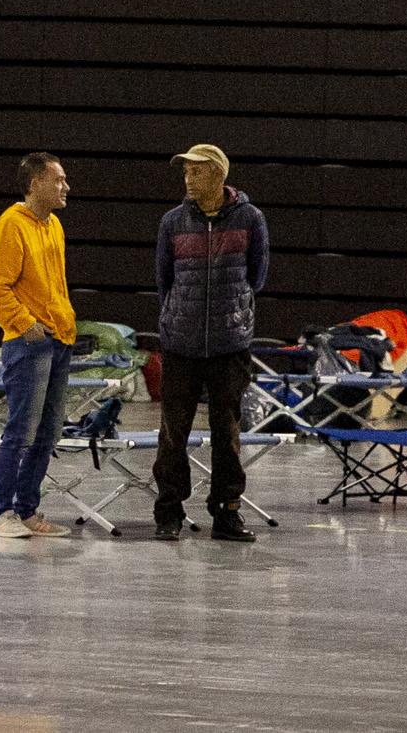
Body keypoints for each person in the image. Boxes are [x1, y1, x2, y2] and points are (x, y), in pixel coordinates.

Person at [152, 143, 268, 543]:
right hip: (180, 344)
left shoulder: (251, 219)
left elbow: (257, 276)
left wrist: (235, 313)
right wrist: (177, 317)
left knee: (227, 433)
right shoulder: (172, 222)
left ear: (219, 175)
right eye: (185, 172)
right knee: (172, 434)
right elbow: (164, 279)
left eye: (197, 171)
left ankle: (227, 513)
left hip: (230, 344)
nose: (188, 178)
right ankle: (169, 513)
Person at [0, 152, 79, 540]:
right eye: (58, 179)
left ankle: (26, 511)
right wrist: (26, 325)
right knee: (21, 432)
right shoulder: (10, 224)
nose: (66, 186)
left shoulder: (55, 225)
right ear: (35, 183)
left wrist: (65, 326)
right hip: (29, 344)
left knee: (48, 433)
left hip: (59, 341)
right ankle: (1, 513)